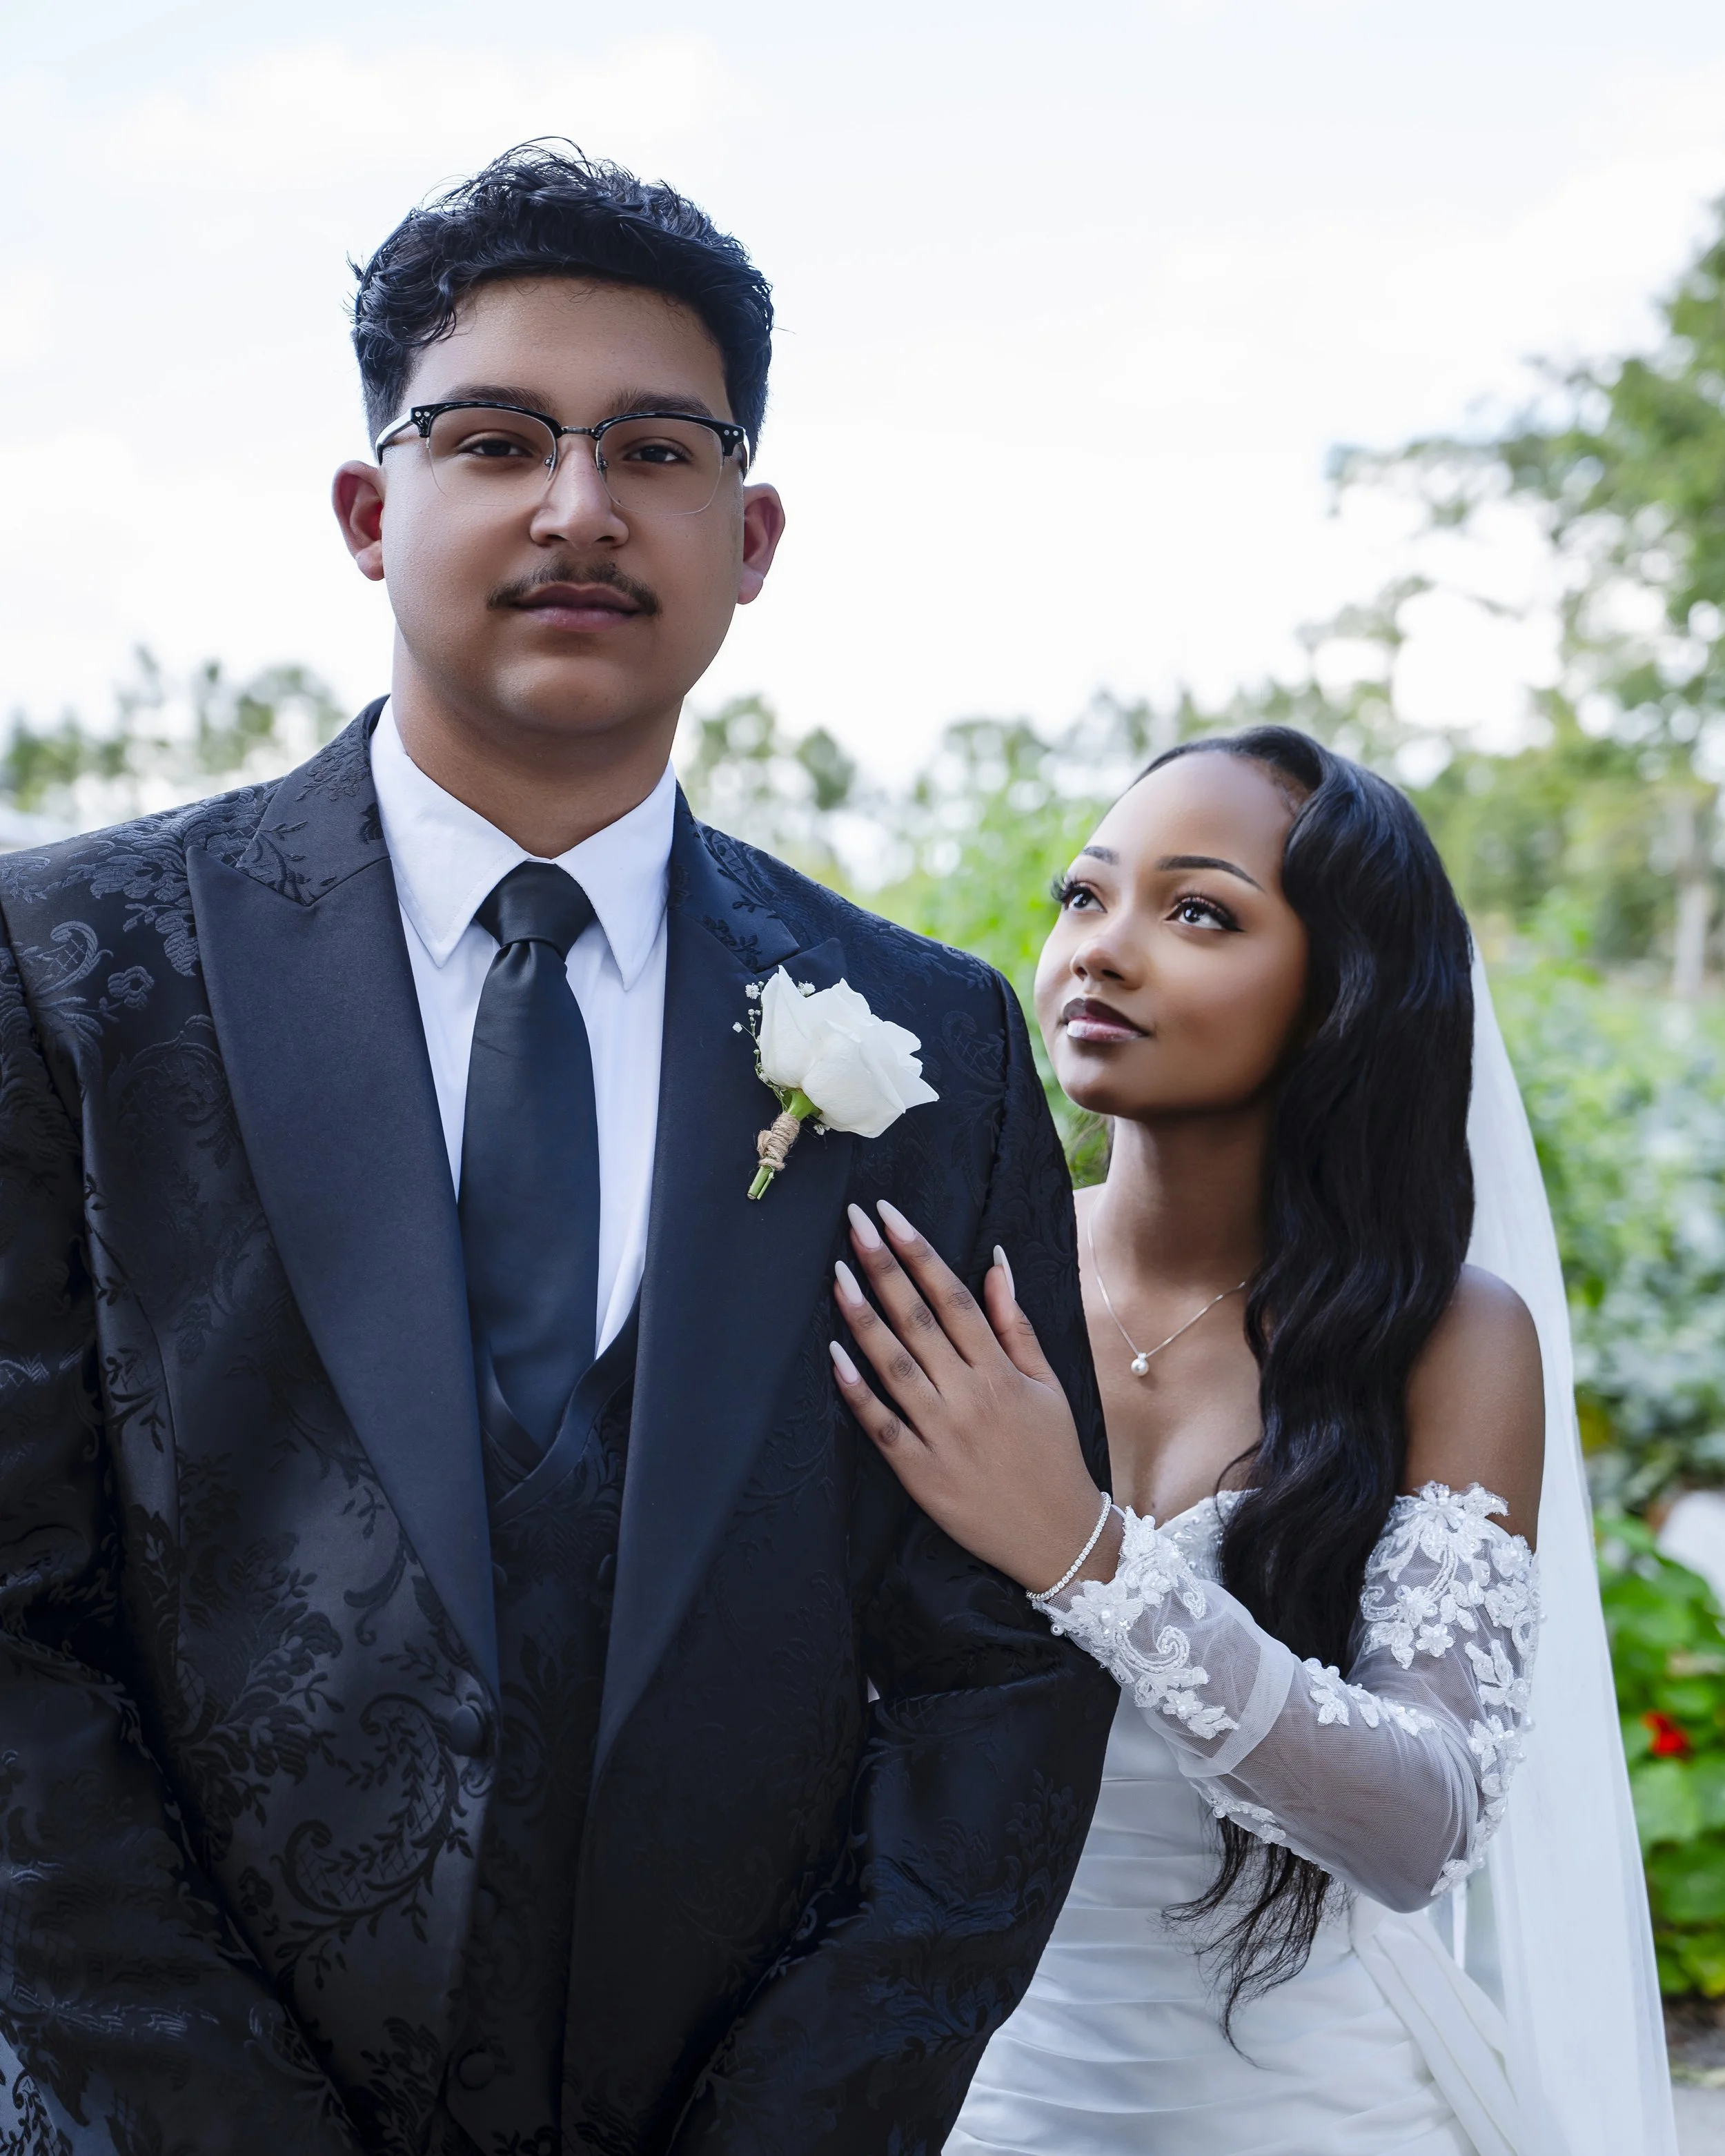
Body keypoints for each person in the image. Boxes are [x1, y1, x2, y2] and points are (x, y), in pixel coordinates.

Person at [0, 144, 1116, 2155]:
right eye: (499, 436)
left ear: (751, 531)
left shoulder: (929, 1038)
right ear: (369, 506)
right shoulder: (65, 968)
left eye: (658, 451)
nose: (580, 508)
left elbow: (990, 1676)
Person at [827, 726, 1678, 2156]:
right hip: (964, 2107)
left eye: (1199, 910)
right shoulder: (948, 1290)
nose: (1100, 949)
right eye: (1081, 896)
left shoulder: (1446, 1339)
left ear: (1341, 989)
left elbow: (1420, 1821)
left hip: (1321, 2116)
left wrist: (1083, 1551)